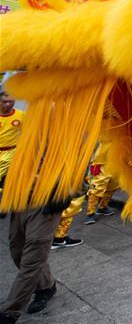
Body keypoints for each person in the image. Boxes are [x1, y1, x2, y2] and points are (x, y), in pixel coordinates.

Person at [0, 189, 73, 322]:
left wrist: (62, 195)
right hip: (21, 198)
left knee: (32, 259)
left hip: (46, 202)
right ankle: (46, 286)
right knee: (18, 251)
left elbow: (81, 181)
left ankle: (9, 312)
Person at [0, 90, 22, 196]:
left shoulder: (21, 115)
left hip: (11, 151)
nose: (8, 104)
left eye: (11, 101)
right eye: (5, 102)